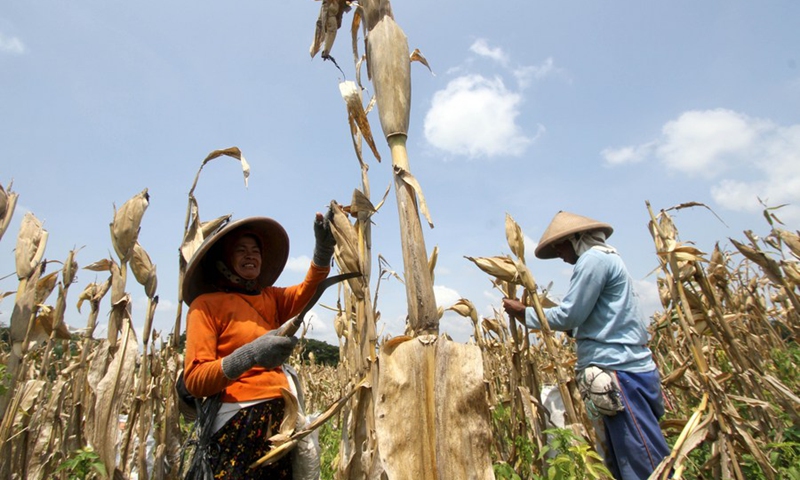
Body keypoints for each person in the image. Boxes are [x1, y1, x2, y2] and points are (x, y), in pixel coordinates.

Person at [503, 211, 670, 480]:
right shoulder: (607, 258)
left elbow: (571, 315)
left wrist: (525, 313)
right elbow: (591, 319)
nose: (559, 253)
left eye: (560, 245)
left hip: (620, 371)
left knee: (641, 459)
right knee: (623, 458)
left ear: (577, 238)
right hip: (622, 368)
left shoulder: (593, 261)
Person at [181, 210, 336, 479]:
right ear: (223, 260)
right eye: (240, 250)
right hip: (237, 421)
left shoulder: (271, 299)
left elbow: (308, 290)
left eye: (255, 250)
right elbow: (195, 379)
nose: (250, 255)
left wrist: (323, 251)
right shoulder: (205, 306)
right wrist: (251, 354)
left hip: (280, 423)